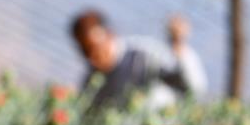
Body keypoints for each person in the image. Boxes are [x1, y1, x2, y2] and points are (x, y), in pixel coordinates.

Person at [70, 10, 207, 110]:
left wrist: (178, 45)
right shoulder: (91, 82)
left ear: (110, 35)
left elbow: (194, 90)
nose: (92, 57)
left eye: (95, 47)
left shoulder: (143, 55)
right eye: (85, 51)